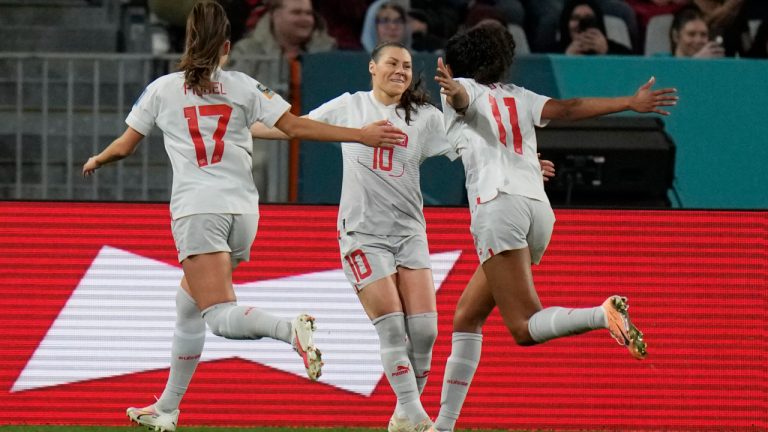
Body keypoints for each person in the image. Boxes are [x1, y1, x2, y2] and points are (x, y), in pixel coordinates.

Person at [81, 3, 404, 431]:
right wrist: (358, 134)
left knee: (217, 315)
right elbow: (296, 128)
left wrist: (97, 160)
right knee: (187, 306)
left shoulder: (162, 89)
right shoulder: (245, 86)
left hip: (199, 211)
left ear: (187, 45)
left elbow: (124, 146)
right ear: (227, 49)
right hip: (243, 213)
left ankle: (289, 330)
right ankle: (167, 408)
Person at [250, 41, 556, 432]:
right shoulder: (351, 105)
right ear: (372, 68)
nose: (400, 70)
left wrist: (524, 164)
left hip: (410, 233)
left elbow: (476, 143)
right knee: (393, 326)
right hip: (362, 233)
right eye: (392, 63)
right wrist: (244, 131)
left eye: (408, 66)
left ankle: (403, 412)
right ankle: (413, 412)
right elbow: (297, 126)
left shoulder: (425, 117)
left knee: (426, 331)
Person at [432, 23, 677, 431]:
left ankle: (602, 316)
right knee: (466, 316)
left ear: (457, 64)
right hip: (536, 209)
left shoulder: (460, 88)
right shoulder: (521, 97)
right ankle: (442, 425)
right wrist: (629, 102)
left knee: (524, 328)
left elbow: (462, 100)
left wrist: (452, 88)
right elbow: (569, 108)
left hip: (498, 207)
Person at [559, 0, 633, 55]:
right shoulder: (552, 53)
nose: (582, 23)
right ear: (566, 23)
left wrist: (607, 53)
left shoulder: (620, 53)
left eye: (589, 19)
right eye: (575, 18)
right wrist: (566, 58)